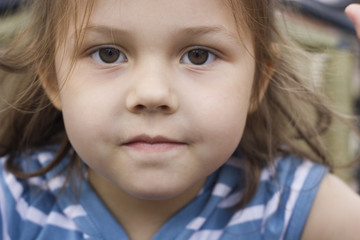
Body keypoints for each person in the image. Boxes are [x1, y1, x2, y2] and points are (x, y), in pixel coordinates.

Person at [0, 0, 360, 239]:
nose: (152, 94)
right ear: (52, 79)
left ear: (256, 83)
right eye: (108, 54)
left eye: (199, 55)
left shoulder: (295, 205)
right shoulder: (12, 204)